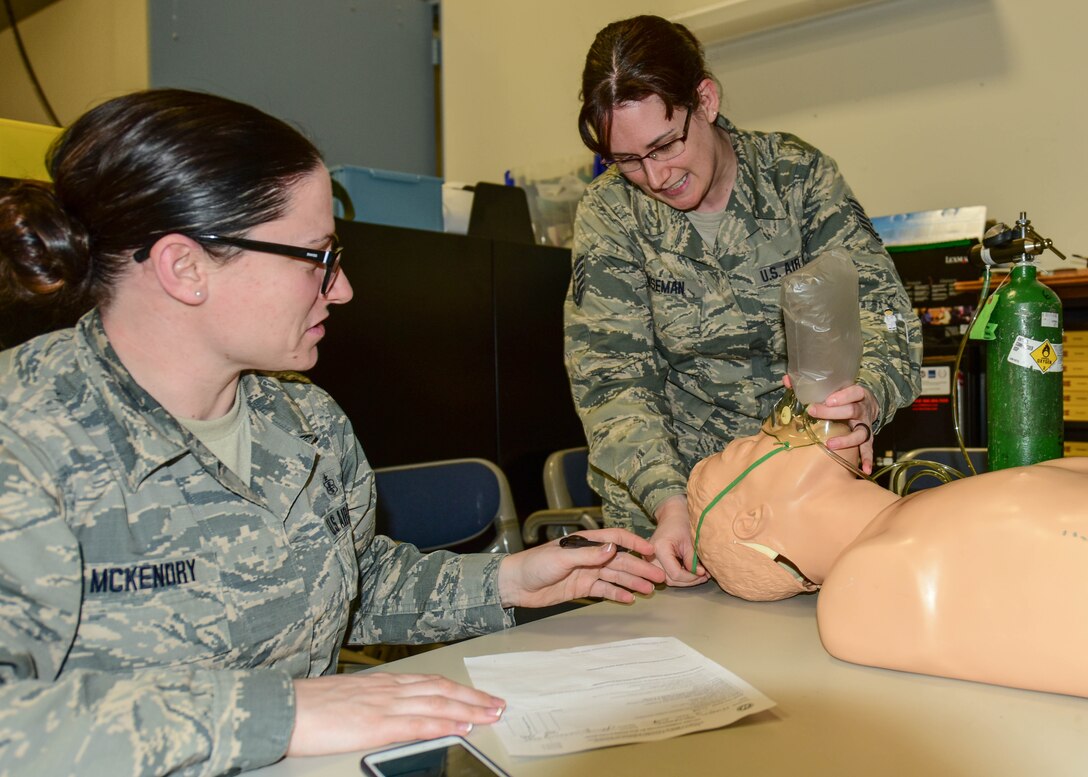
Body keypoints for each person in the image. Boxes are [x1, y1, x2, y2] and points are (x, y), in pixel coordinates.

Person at [0, 89, 666, 776]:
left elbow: (346, 582)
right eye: (317, 258)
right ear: (185, 267)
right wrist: (280, 715)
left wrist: (507, 579)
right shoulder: (24, 440)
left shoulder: (303, 420)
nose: (341, 289)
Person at [564, 14, 922, 588]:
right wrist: (667, 501)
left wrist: (867, 398)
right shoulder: (611, 213)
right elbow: (611, 377)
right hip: (669, 510)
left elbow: (884, 312)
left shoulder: (795, 178)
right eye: (627, 160)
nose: (654, 176)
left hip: (800, 496)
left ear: (705, 101)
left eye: (665, 145)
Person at [686, 415, 1088, 698]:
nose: (780, 425)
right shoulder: (865, 589)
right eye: (751, 446)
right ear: (751, 520)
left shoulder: (910, 518)